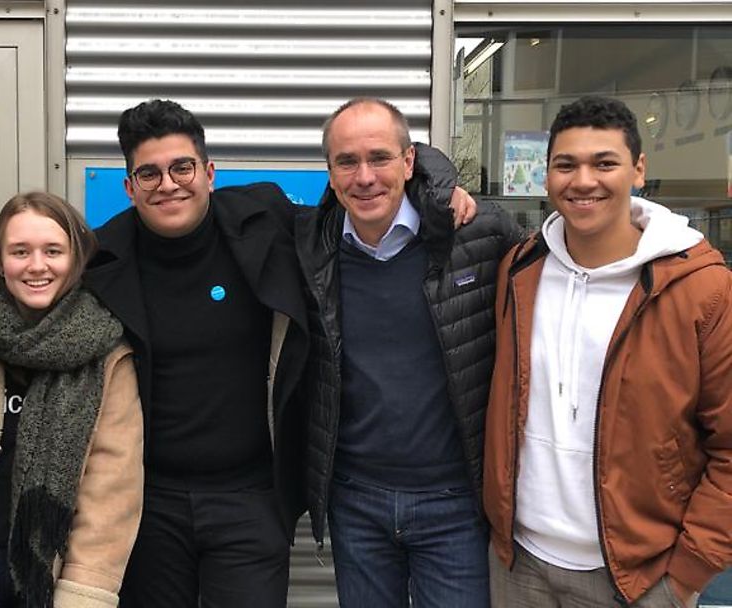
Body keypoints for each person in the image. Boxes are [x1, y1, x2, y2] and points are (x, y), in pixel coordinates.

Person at [85, 98, 478, 608]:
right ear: (129, 186)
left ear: (208, 172)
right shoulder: (101, 260)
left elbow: (365, 180)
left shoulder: (263, 220)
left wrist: (439, 187)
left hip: (251, 497)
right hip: (148, 501)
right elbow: (36, 277)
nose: (168, 184)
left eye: (182, 167)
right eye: (150, 173)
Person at [483, 95, 732, 607]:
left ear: (638, 169)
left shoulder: (701, 289)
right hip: (519, 563)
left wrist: (687, 576)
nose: (583, 180)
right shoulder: (519, 271)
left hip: (634, 577)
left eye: (605, 163)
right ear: (546, 175)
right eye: (565, 164)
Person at [295, 97, 522, 608]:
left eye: (380, 158)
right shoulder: (311, 246)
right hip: (356, 502)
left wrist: (443, 185)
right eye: (346, 162)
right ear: (330, 175)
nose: (365, 176)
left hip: (455, 503)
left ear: (409, 161)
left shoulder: (477, 233)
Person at [0, 191, 142, 608]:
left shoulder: (106, 352)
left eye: (53, 251)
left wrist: (82, 594)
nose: (37, 265)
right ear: (1, 264)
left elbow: (112, 490)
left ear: (75, 260)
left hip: (52, 572)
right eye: (20, 251)